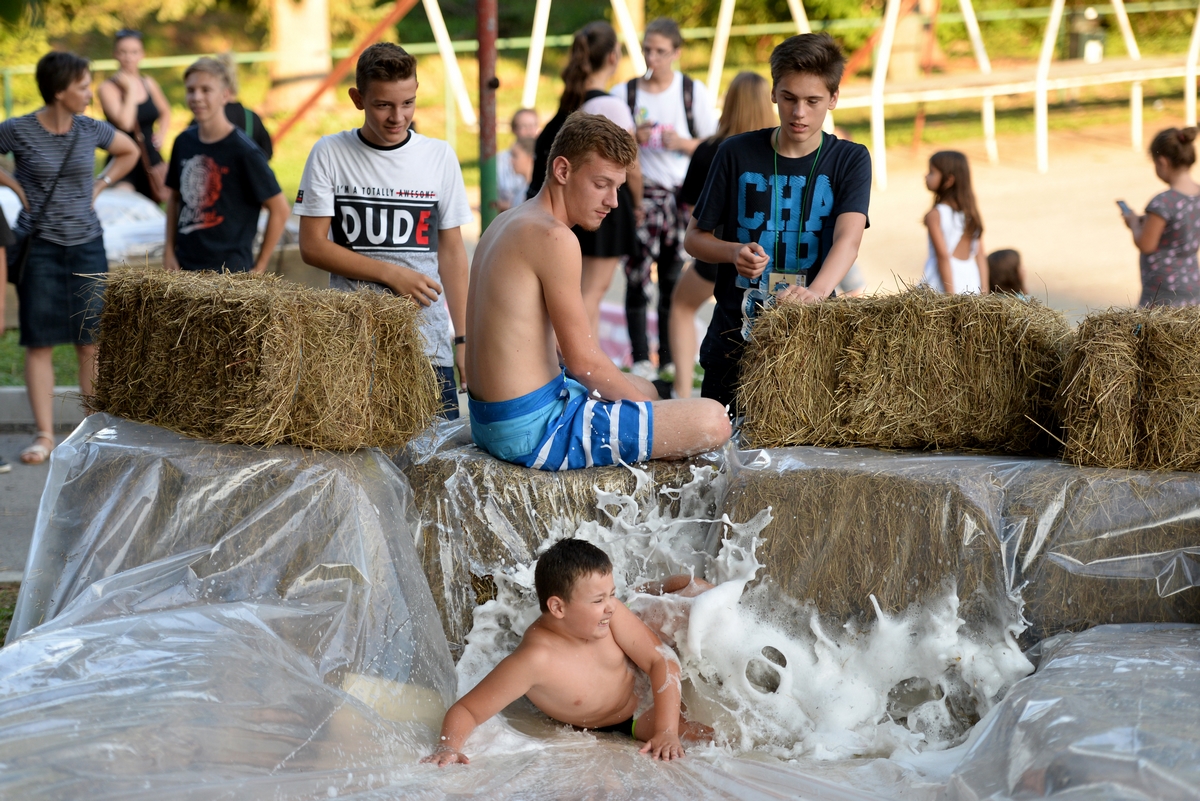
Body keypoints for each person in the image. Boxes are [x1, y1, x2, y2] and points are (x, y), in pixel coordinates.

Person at [465, 111, 731, 471]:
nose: (614, 201)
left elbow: (557, 348)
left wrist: (649, 405)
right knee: (713, 419)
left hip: (491, 419)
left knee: (647, 387)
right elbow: (583, 363)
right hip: (534, 429)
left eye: (618, 187)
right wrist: (654, 415)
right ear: (562, 170)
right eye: (602, 184)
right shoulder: (555, 237)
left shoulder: (507, 221)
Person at [684, 33, 871, 414]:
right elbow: (694, 239)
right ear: (773, 93)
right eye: (789, 98)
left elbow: (848, 241)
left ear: (833, 98)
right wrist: (733, 251)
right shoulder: (734, 152)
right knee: (718, 444)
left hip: (810, 338)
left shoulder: (850, 159)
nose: (799, 112)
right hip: (734, 337)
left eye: (812, 101)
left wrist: (816, 293)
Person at [296, 43, 472, 419]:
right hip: (352, 344)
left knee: (438, 452)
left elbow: (453, 252)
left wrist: (463, 338)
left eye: (408, 103)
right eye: (383, 105)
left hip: (428, 346)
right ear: (357, 99)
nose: (398, 116)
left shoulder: (439, 156)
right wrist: (392, 274)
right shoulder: (329, 152)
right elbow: (312, 246)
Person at [422, 538, 711, 766]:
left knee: (691, 590)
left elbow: (662, 660)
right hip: (630, 716)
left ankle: (648, 591)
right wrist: (448, 746)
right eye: (598, 600)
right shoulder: (535, 660)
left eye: (611, 594)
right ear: (558, 607)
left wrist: (666, 730)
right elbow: (467, 710)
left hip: (639, 671)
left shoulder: (610, 614)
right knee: (705, 737)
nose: (610, 606)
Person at [0, 51, 138, 464]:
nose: (90, 93)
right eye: (83, 86)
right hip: (38, 247)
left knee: (90, 343)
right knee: (39, 342)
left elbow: (129, 151)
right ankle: (44, 436)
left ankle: (92, 434)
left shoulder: (90, 128)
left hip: (87, 245)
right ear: (60, 91)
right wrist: (12, 184)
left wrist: (101, 183)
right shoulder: (18, 129)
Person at [529, 22, 643, 341]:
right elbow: (630, 165)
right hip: (598, 208)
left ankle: (580, 356)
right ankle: (582, 359)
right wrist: (639, 201)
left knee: (581, 291)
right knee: (591, 291)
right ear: (613, 57)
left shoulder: (570, 102)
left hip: (573, 200)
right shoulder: (610, 105)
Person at [620, 18, 717, 383]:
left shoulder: (692, 91)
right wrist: (633, 136)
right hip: (640, 196)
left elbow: (713, 144)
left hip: (681, 198)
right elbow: (608, 139)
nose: (652, 58)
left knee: (673, 278)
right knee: (636, 277)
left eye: (660, 51)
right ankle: (640, 357)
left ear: (676, 52)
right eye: (647, 50)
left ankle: (669, 357)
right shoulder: (626, 92)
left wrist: (683, 143)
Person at [669, 71, 775, 400]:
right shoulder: (779, 151)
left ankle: (682, 389)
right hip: (768, 254)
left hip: (717, 254)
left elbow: (692, 209)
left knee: (681, 306)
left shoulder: (710, 150)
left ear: (728, 104)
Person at [164, 58, 289, 275]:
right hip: (185, 270)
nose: (197, 97)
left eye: (206, 90)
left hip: (231, 274)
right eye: (191, 90)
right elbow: (174, 198)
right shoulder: (182, 142)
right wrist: (169, 250)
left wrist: (259, 267)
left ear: (225, 95)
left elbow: (280, 209)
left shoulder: (244, 151)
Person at [1121, 127, 1200, 307]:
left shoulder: (1163, 202)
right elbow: (1183, 226)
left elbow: (1146, 244)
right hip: (1192, 284)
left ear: (1162, 162)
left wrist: (1134, 223)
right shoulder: (1197, 195)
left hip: (1163, 291)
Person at [97, 29, 172, 203]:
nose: (129, 58)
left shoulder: (148, 83)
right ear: (115, 54)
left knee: (157, 208)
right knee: (124, 206)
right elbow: (126, 123)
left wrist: (161, 134)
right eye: (123, 52)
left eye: (134, 52)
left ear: (142, 54)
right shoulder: (107, 88)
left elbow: (165, 111)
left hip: (150, 158)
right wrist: (130, 89)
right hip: (123, 160)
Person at [921, 150, 988, 295]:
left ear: (949, 180)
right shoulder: (971, 213)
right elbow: (980, 255)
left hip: (942, 286)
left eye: (932, 172)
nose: (925, 176)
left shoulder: (935, 215)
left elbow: (943, 257)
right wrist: (984, 292)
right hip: (971, 283)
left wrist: (950, 297)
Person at [495, 108, 537, 212]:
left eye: (533, 126)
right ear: (514, 129)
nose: (529, 131)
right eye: (524, 126)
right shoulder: (500, 160)